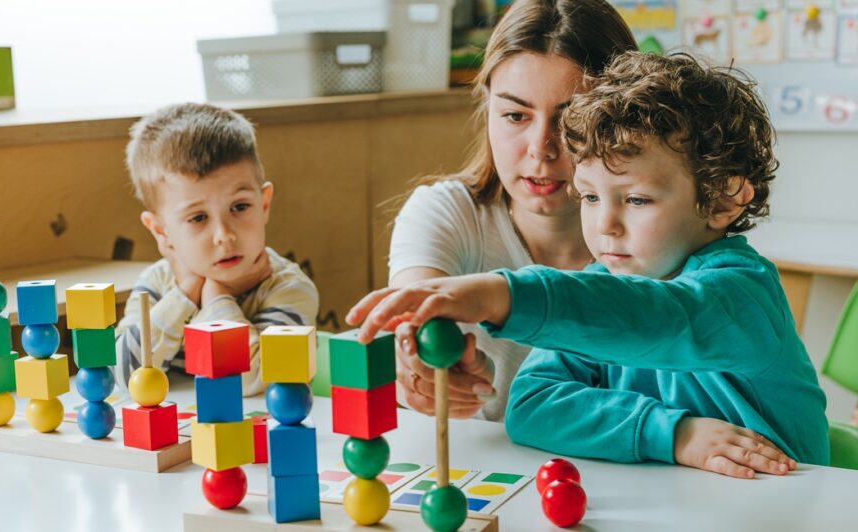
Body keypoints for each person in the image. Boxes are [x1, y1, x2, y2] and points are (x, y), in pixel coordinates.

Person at [348, 52, 829, 478]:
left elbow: (659, 317)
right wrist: (672, 434)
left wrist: (506, 294)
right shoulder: (604, 284)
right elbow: (531, 404)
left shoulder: (743, 295)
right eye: (590, 196)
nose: (606, 225)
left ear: (724, 199)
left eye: (637, 199)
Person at [386, 0, 637, 420]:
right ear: (487, 108)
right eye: (516, 115)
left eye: (571, 118)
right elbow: (413, 316)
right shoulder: (447, 212)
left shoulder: (662, 236)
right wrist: (420, 364)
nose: (541, 148)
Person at [114, 102, 319, 396]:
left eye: (240, 207)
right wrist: (186, 293)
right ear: (161, 231)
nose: (224, 235)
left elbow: (260, 381)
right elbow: (122, 375)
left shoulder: (287, 286)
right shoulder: (158, 284)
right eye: (198, 218)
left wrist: (215, 296)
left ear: (263, 204)